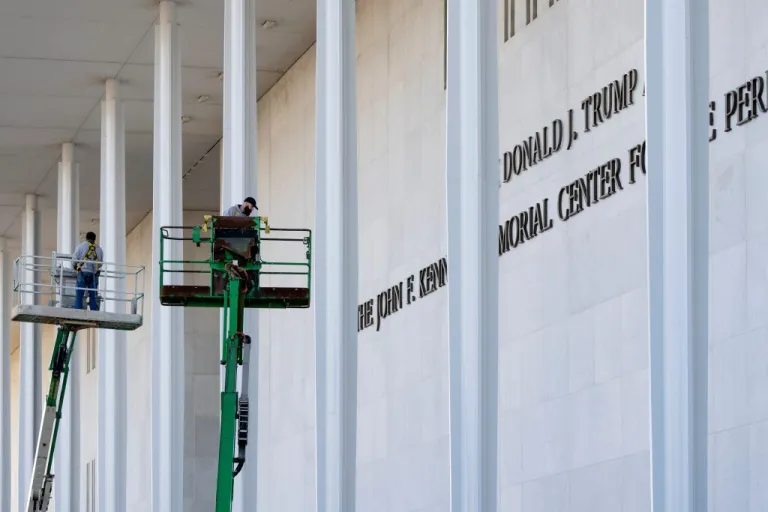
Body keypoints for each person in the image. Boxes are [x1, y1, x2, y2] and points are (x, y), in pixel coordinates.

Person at [73, 232, 104, 311]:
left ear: (86, 238)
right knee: (93, 294)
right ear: (94, 239)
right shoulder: (99, 249)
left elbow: (74, 260)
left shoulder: (81, 246)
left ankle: (78, 310)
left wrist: (75, 266)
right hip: (94, 274)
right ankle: (94, 311)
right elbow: (100, 264)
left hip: (82, 272)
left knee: (79, 294)